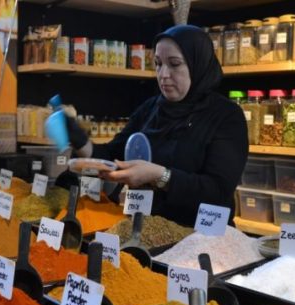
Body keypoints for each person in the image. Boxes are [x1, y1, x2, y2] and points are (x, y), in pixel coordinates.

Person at [66, 25, 248, 226]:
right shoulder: (151, 108)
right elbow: (113, 157)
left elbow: (217, 191)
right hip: (146, 228)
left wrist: (159, 176)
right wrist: (79, 140)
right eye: (158, 64)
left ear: (198, 64)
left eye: (174, 64)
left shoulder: (226, 115)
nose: (163, 74)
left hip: (202, 233)